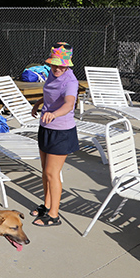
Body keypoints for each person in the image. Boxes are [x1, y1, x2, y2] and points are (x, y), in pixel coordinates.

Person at [30, 42, 79, 227]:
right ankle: (47, 205)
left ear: (68, 64)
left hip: (62, 131)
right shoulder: (52, 73)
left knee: (52, 173)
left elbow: (68, 103)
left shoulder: (70, 81)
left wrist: (54, 113)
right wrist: (39, 103)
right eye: (54, 64)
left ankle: (54, 215)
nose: (57, 68)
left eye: (61, 65)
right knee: (45, 172)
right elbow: (52, 93)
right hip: (46, 127)